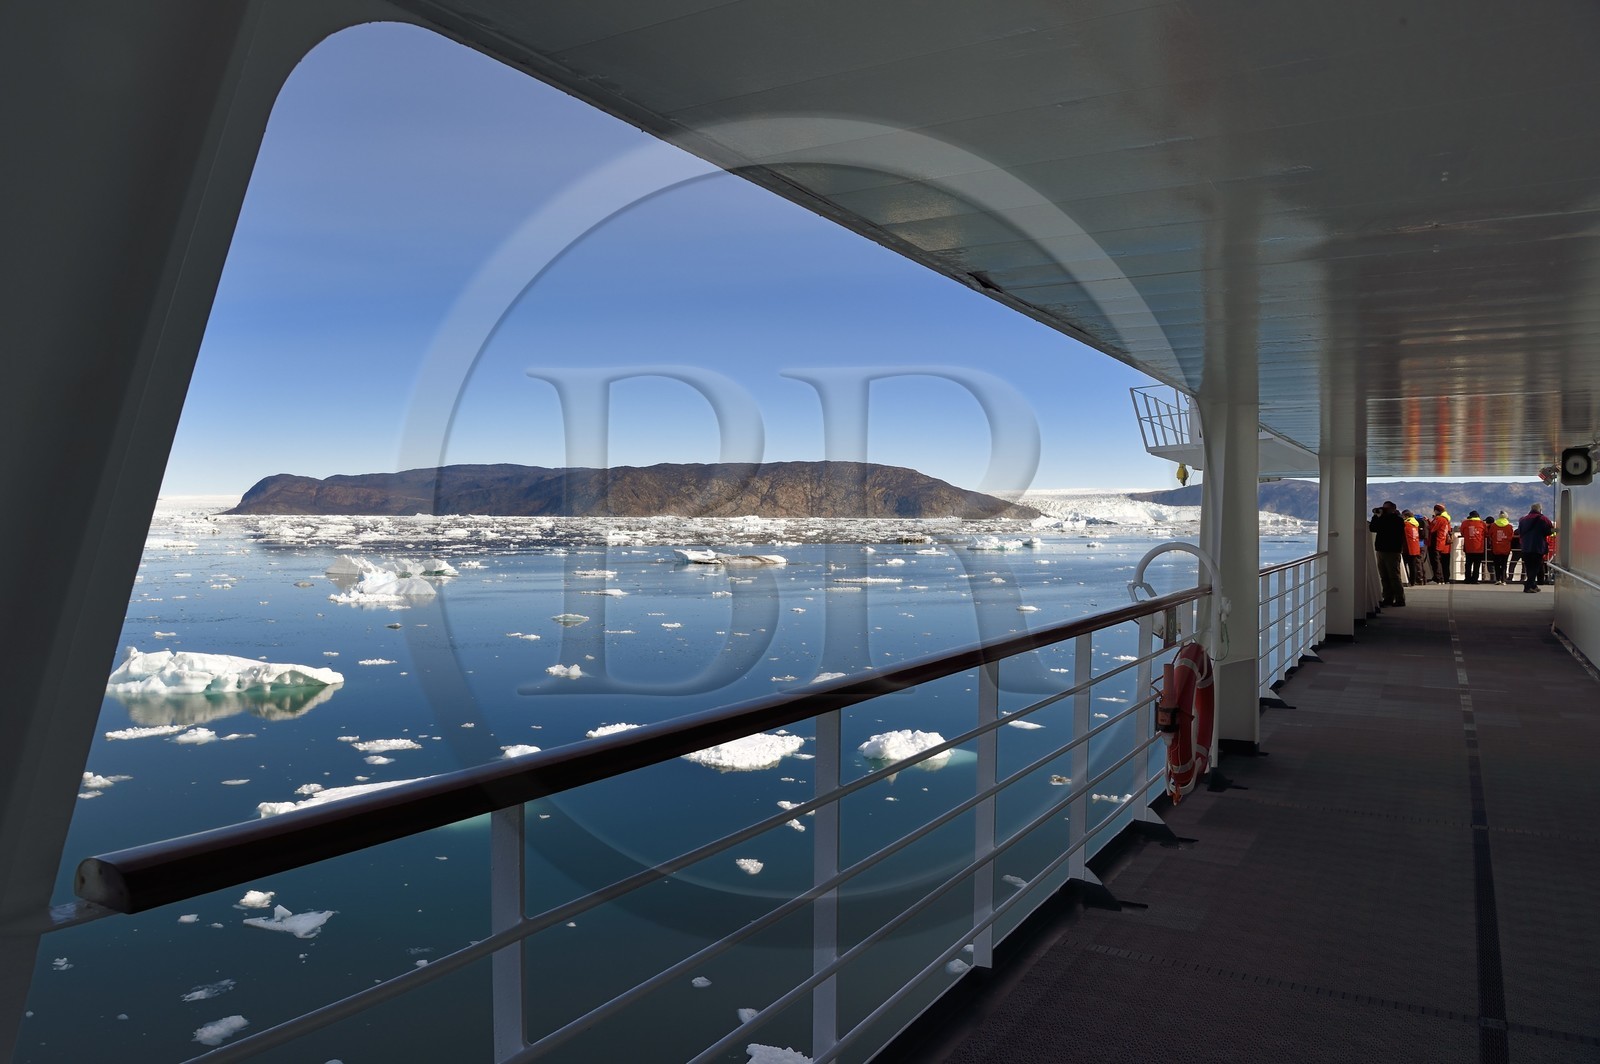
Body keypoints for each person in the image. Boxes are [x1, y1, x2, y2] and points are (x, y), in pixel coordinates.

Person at [1369, 501, 1407, 607]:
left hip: (1392, 551)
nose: (1384, 510)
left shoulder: (1398, 520)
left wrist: (1381, 517)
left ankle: (1400, 599)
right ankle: (1388, 598)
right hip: (1381, 549)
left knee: (1394, 576)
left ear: (1393, 509)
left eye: (1386, 509)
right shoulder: (1383, 518)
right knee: (1384, 576)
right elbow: (1373, 528)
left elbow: (1386, 526)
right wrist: (1376, 516)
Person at [1517, 502, 1555, 592]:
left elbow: (1519, 531)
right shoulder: (1543, 519)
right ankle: (1528, 586)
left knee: (1529, 567)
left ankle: (1533, 585)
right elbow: (1549, 531)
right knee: (1535, 567)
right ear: (1540, 509)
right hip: (1538, 546)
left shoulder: (1523, 519)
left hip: (1525, 546)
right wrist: (1557, 530)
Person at [1428, 504, 1454, 583]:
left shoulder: (1439, 519)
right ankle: (1444, 578)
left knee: (1436, 561)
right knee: (1444, 562)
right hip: (1443, 543)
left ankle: (1438, 578)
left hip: (1436, 542)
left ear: (1436, 511)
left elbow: (1432, 529)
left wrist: (1428, 522)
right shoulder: (1446, 520)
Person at [1459, 510, 1486, 583]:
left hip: (1468, 547)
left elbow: (1462, 532)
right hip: (1479, 547)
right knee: (1477, 565)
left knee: (1468, 564)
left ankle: (1467, 579)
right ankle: (1475, 579)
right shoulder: (1482, 523)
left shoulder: (1465, 523)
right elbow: (1486, 533)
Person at [1487, 510, 1514, 584]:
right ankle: (1503, 580)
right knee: (1504, 564)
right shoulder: (1509, 526)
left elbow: (1490, 535)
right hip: (1506, 548)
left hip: (1496, 547)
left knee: (1496, 564)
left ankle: (1498, 579)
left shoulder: (1493, 526)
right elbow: (1511, 537)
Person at [1402, 509, 1426, 586]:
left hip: (1407, 547)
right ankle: (1414, 581)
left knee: (1405, 564)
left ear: (1406, 516)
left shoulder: (1406, 524)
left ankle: (1408, 580)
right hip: (1415, 546)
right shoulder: (1415, 523)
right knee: (1413, 565)